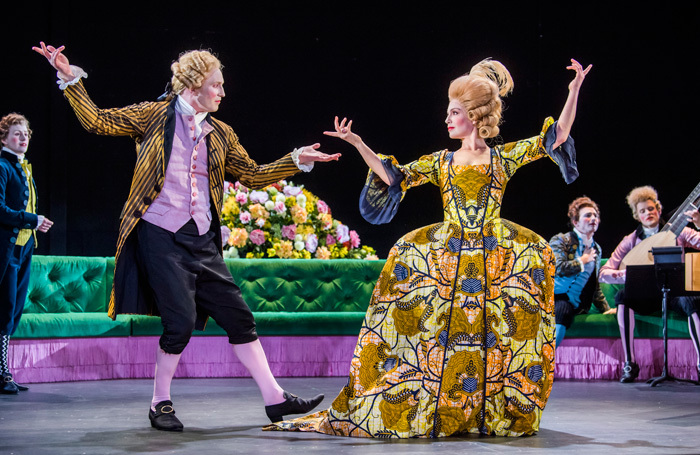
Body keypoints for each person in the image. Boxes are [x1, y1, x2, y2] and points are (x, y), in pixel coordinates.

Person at [265, 58, 591, 438]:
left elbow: (558, 137)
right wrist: (357, 143)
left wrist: (574, 90)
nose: (447, 119)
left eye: (454, 112)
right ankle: (440, 410)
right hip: (448, 260)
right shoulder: (442, 161)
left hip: (494, 259)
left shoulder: (502, 159)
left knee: (493, 338)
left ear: (473, 114)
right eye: (448, 111)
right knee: (441, 339)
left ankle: (484, 412)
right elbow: (393, 176)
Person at [32, 42, 339, 430]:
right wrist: (68, 76)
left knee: (240, 318)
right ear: (194, 86)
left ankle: (275, 399)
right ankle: (160, 401)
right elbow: (97, 121)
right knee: (179, 322)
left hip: (202, 240)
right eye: (217, 85)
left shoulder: (220, 132)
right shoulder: (153, 115)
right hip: (159, 233)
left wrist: (295, 160)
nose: (223, 93)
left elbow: (253, 174)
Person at [599, 185, 700, 382]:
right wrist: (626, 275)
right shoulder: (631, 240)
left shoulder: (679, 232)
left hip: (673, 294)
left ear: (659, 209)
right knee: (622, 298)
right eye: (642, 211)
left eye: (651, 208)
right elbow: (604, 273)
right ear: (637, 216)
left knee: (691, 300)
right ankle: (630, 363)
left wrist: (698, 223)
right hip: (647, 296)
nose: (648, 213)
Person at [0, 113, 53, 394]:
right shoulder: (2, 167)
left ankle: (4, 371)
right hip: (6, 250)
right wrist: (31, 220)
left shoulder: (23, 168)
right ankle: (1, 372)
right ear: (4, 138)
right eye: (17, 134)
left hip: (24, 247)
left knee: (14, 311)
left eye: (26, 134)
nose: (23, 138)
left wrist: (32, 225)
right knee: (5, 308)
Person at [549, 196, 614, 347]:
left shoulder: (596, 248)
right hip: (555, 297)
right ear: (575, 222)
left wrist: (606, 309)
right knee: (562, 309)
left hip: (577, 304)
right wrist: (582, 260)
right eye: (588, 215)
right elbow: (557, 268)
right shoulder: (561, 240)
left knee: (565, 308)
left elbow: (594, 285)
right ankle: (544, 361)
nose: (593, 218)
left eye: (595, 216)